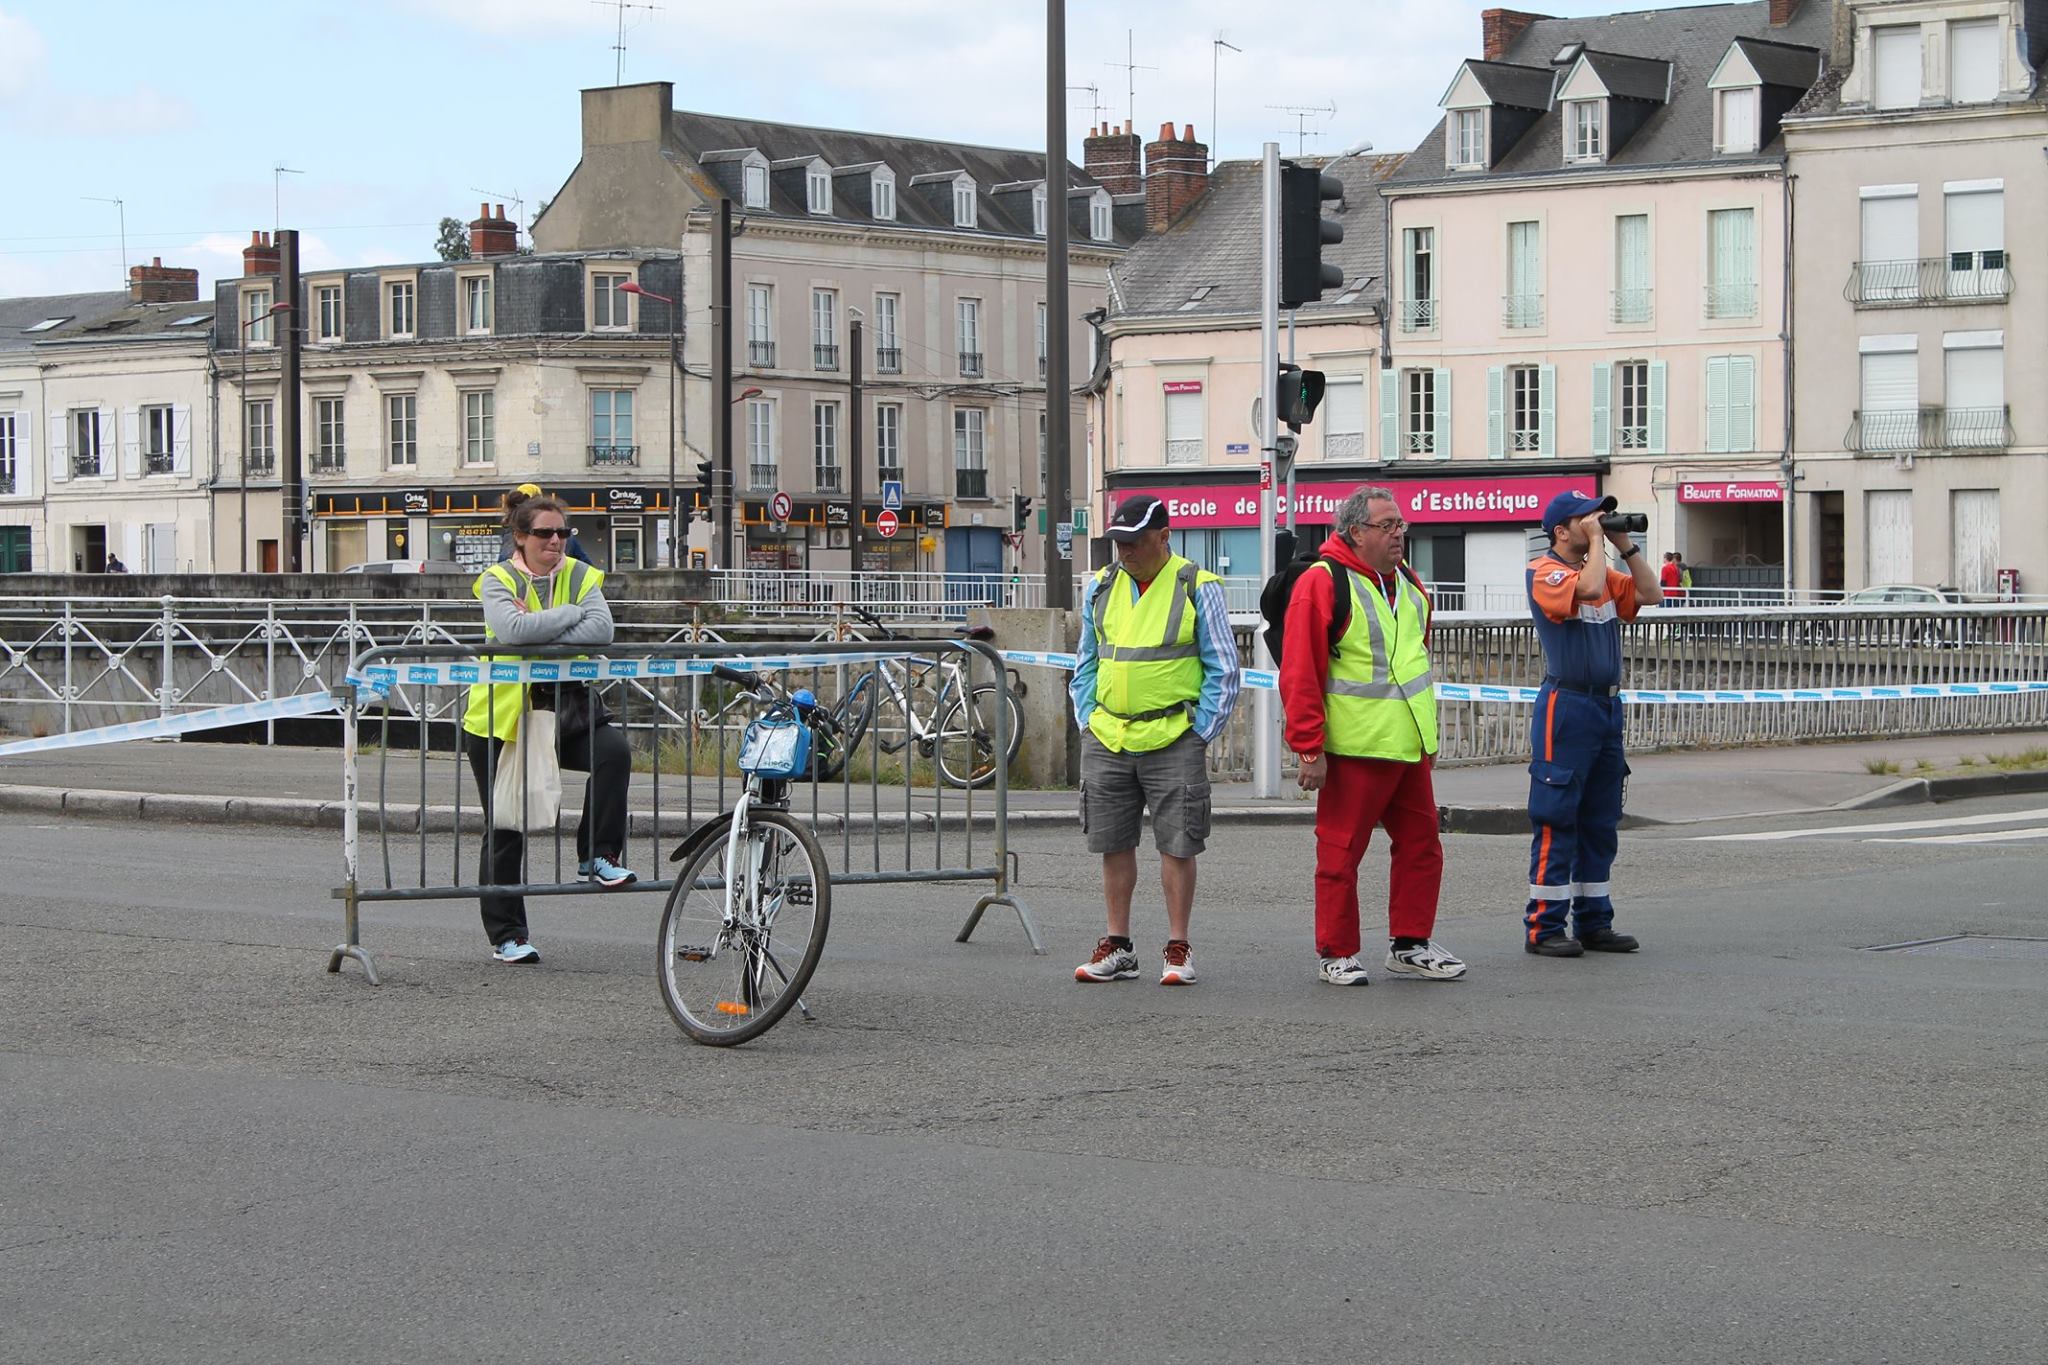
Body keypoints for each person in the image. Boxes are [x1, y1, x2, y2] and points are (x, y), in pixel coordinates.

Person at [1279, 487, 1466, 987]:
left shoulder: (1407, 583)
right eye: (1386, 525)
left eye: (1401, 524)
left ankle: (1410, 944)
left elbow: (1411, 660)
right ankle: (1336, 951)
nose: (1398, 533)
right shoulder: (1322, 582)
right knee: (1340, 853)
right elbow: (1300, 673)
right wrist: (1309, 748)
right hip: (1354, 748)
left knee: (1422, 847)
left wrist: (1425, 742)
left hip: (1406, 743)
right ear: (1355, 531)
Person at [1070, 494, 1241, 985]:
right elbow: (1086, 661)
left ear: (1164, 537)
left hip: (1173, 735)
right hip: (1108, 734)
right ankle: (1118, 946)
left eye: (1136, 542)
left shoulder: (1196, 586)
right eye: (1118, 542)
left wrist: (1199, 733)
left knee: (1178, 845)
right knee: (1112, 843)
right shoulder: (1101, 587)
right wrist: (1087, 718)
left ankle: (1178, 946)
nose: (1125, 552)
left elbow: (1224, 668)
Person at [461, 490, 638, 965]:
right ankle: (507, 935)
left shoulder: (581, 573)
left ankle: (598, 856)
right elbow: (512, 634)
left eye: (563, 532)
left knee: (614, 753)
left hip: (568, 709)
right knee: (506, 826)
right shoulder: (496, 578)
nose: (556, 540)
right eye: (544, 533)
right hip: (504, 719)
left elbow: (603, 630)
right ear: (520, 537)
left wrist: (540, 626)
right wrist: (569, 615)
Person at [1522, 491, 1661, 958]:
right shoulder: (1546, 572)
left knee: (1600, 820)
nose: (1598, 521)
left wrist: (1627, 545)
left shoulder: (1601, 572)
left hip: (1606, 708)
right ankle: (1544, 927)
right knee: (1557, 816)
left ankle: (1594, 921)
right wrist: (1599, 542)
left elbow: (1651, 594)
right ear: (1562, 531)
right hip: (1567, 706)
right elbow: (1584, 588)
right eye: (1587, 518)